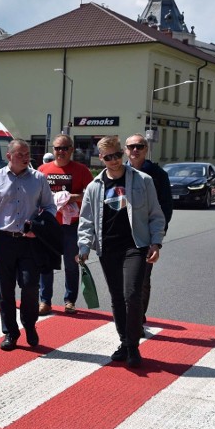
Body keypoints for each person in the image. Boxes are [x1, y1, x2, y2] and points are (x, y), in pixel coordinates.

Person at [77, 135, 165, 368]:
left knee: (132, 294)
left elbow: (156, 215)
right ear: (101, 158)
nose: (114, 160)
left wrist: (156, 243)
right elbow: (86, 220)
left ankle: (134, 346)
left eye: (117, 155)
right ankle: (124, 342)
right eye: (108, 157)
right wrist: (84, 246)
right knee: (117, 297)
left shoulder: (142, 180)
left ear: (123, 153)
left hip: (135, 245)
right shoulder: (94, 186)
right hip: (108, 248)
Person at [0, 139, 56, 351]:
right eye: (20, 154)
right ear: (9, 156)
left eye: (27, 153)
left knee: (30, 285)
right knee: (5, 290)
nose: (25, 157)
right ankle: (10, 332)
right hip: (3, 240)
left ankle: (29, 325)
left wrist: (38, 226)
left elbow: (50, 207)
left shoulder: (39, 178)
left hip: (30, 241)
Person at [37, 134, 94, 316]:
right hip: (49, 225)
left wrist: (72, 197)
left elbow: (92, 195)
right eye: (57, 148)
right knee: (45, 264)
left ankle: (70, 301)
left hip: (72, 226)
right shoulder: (42, 169)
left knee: (72, 264)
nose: (60, 152)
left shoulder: (81, 170)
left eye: (64, 148)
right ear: (52, 150)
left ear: (71, 149)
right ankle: (44, 301)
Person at [124, 133, 173, 325]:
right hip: (120, 236)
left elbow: (165, 209)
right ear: (125, 150)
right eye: (131, 146)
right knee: (121, 281)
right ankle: (126, 317)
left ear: (146, 149)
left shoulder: (158, 175)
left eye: (140, 146)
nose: (135, 150)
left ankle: (136, 319)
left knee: (141, 280)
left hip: (144, 237)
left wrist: (157, 240)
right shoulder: (117, 171)